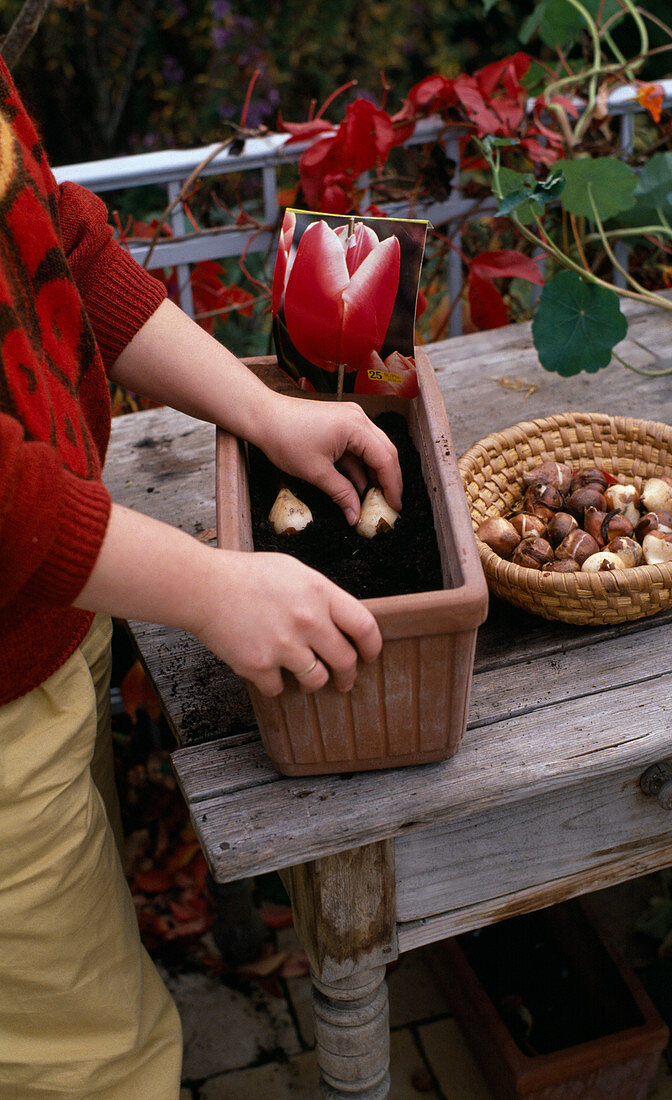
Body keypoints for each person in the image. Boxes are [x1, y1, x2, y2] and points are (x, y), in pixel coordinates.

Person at [0, 54, 402, 1099]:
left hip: (45, 604)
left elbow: (61, 244)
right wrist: (212, 586)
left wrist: (260, 405)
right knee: (90, 1058)